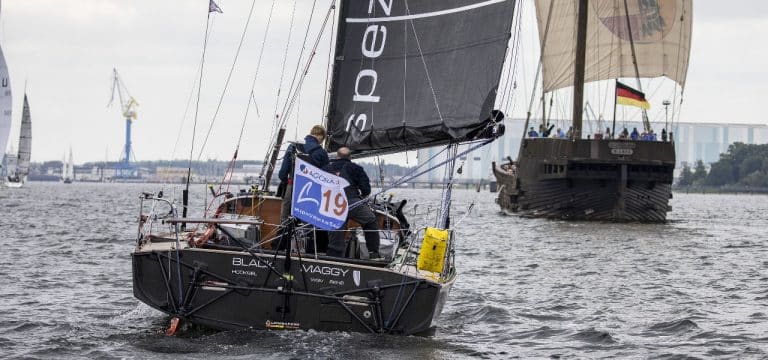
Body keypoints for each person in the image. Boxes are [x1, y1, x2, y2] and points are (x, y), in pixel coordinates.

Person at [325, 147, 380, 259]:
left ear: (337, 156)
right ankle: (374, 253)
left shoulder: (326, 168)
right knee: (370, 220)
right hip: (352, 203)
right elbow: (366, 190)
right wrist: (361, 197)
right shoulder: (356, 168)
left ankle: (332, 258)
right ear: (350, 157)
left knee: (335, 235)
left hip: (333, 205)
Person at [278, 125, 329, 221]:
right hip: (311, 190)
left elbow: (282, 173)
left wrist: (287, 183)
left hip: (292, 186)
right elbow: (326, 175)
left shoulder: (293, 146)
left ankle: (283, 234)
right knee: (307, 220)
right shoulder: (321, 152)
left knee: (284, 218)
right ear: (321, 136)